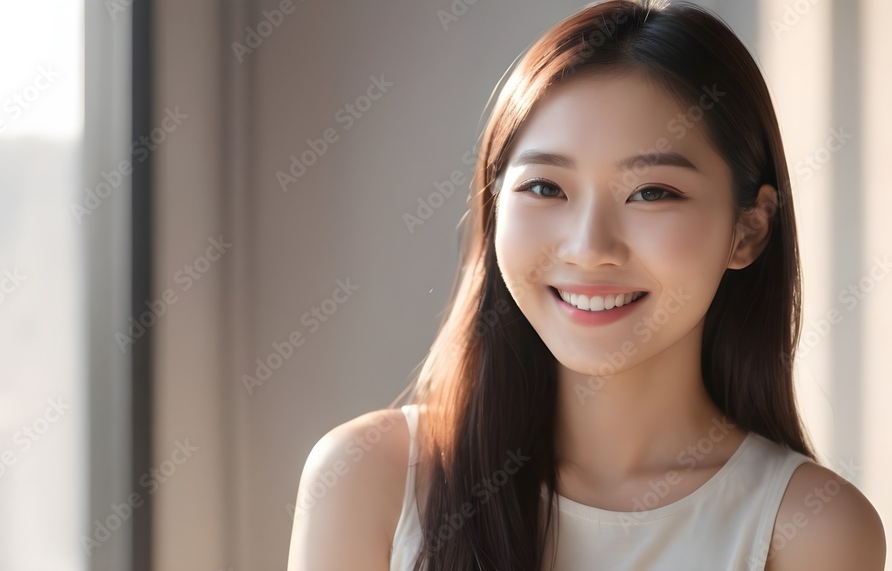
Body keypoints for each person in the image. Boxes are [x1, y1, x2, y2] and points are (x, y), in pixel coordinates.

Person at [286, 1, 886, 569]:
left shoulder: (810, 530)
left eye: (653, 193)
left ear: (748, 231)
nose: (589, 249)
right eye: (546, 187)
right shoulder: (369, 479)